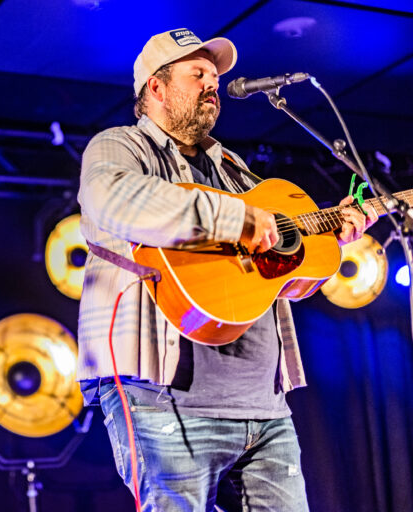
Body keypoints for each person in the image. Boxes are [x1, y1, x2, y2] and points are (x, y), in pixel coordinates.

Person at [76, 28, 378, 511]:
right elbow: (111, 199)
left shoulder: (237, 170)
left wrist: (331, 239)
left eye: (215, 77)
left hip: (263, 406)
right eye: (197, 75)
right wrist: (237, 218)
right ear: (156, 88)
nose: (212, 85)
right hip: (162, 400)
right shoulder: (120, 146)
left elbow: (286, 278)